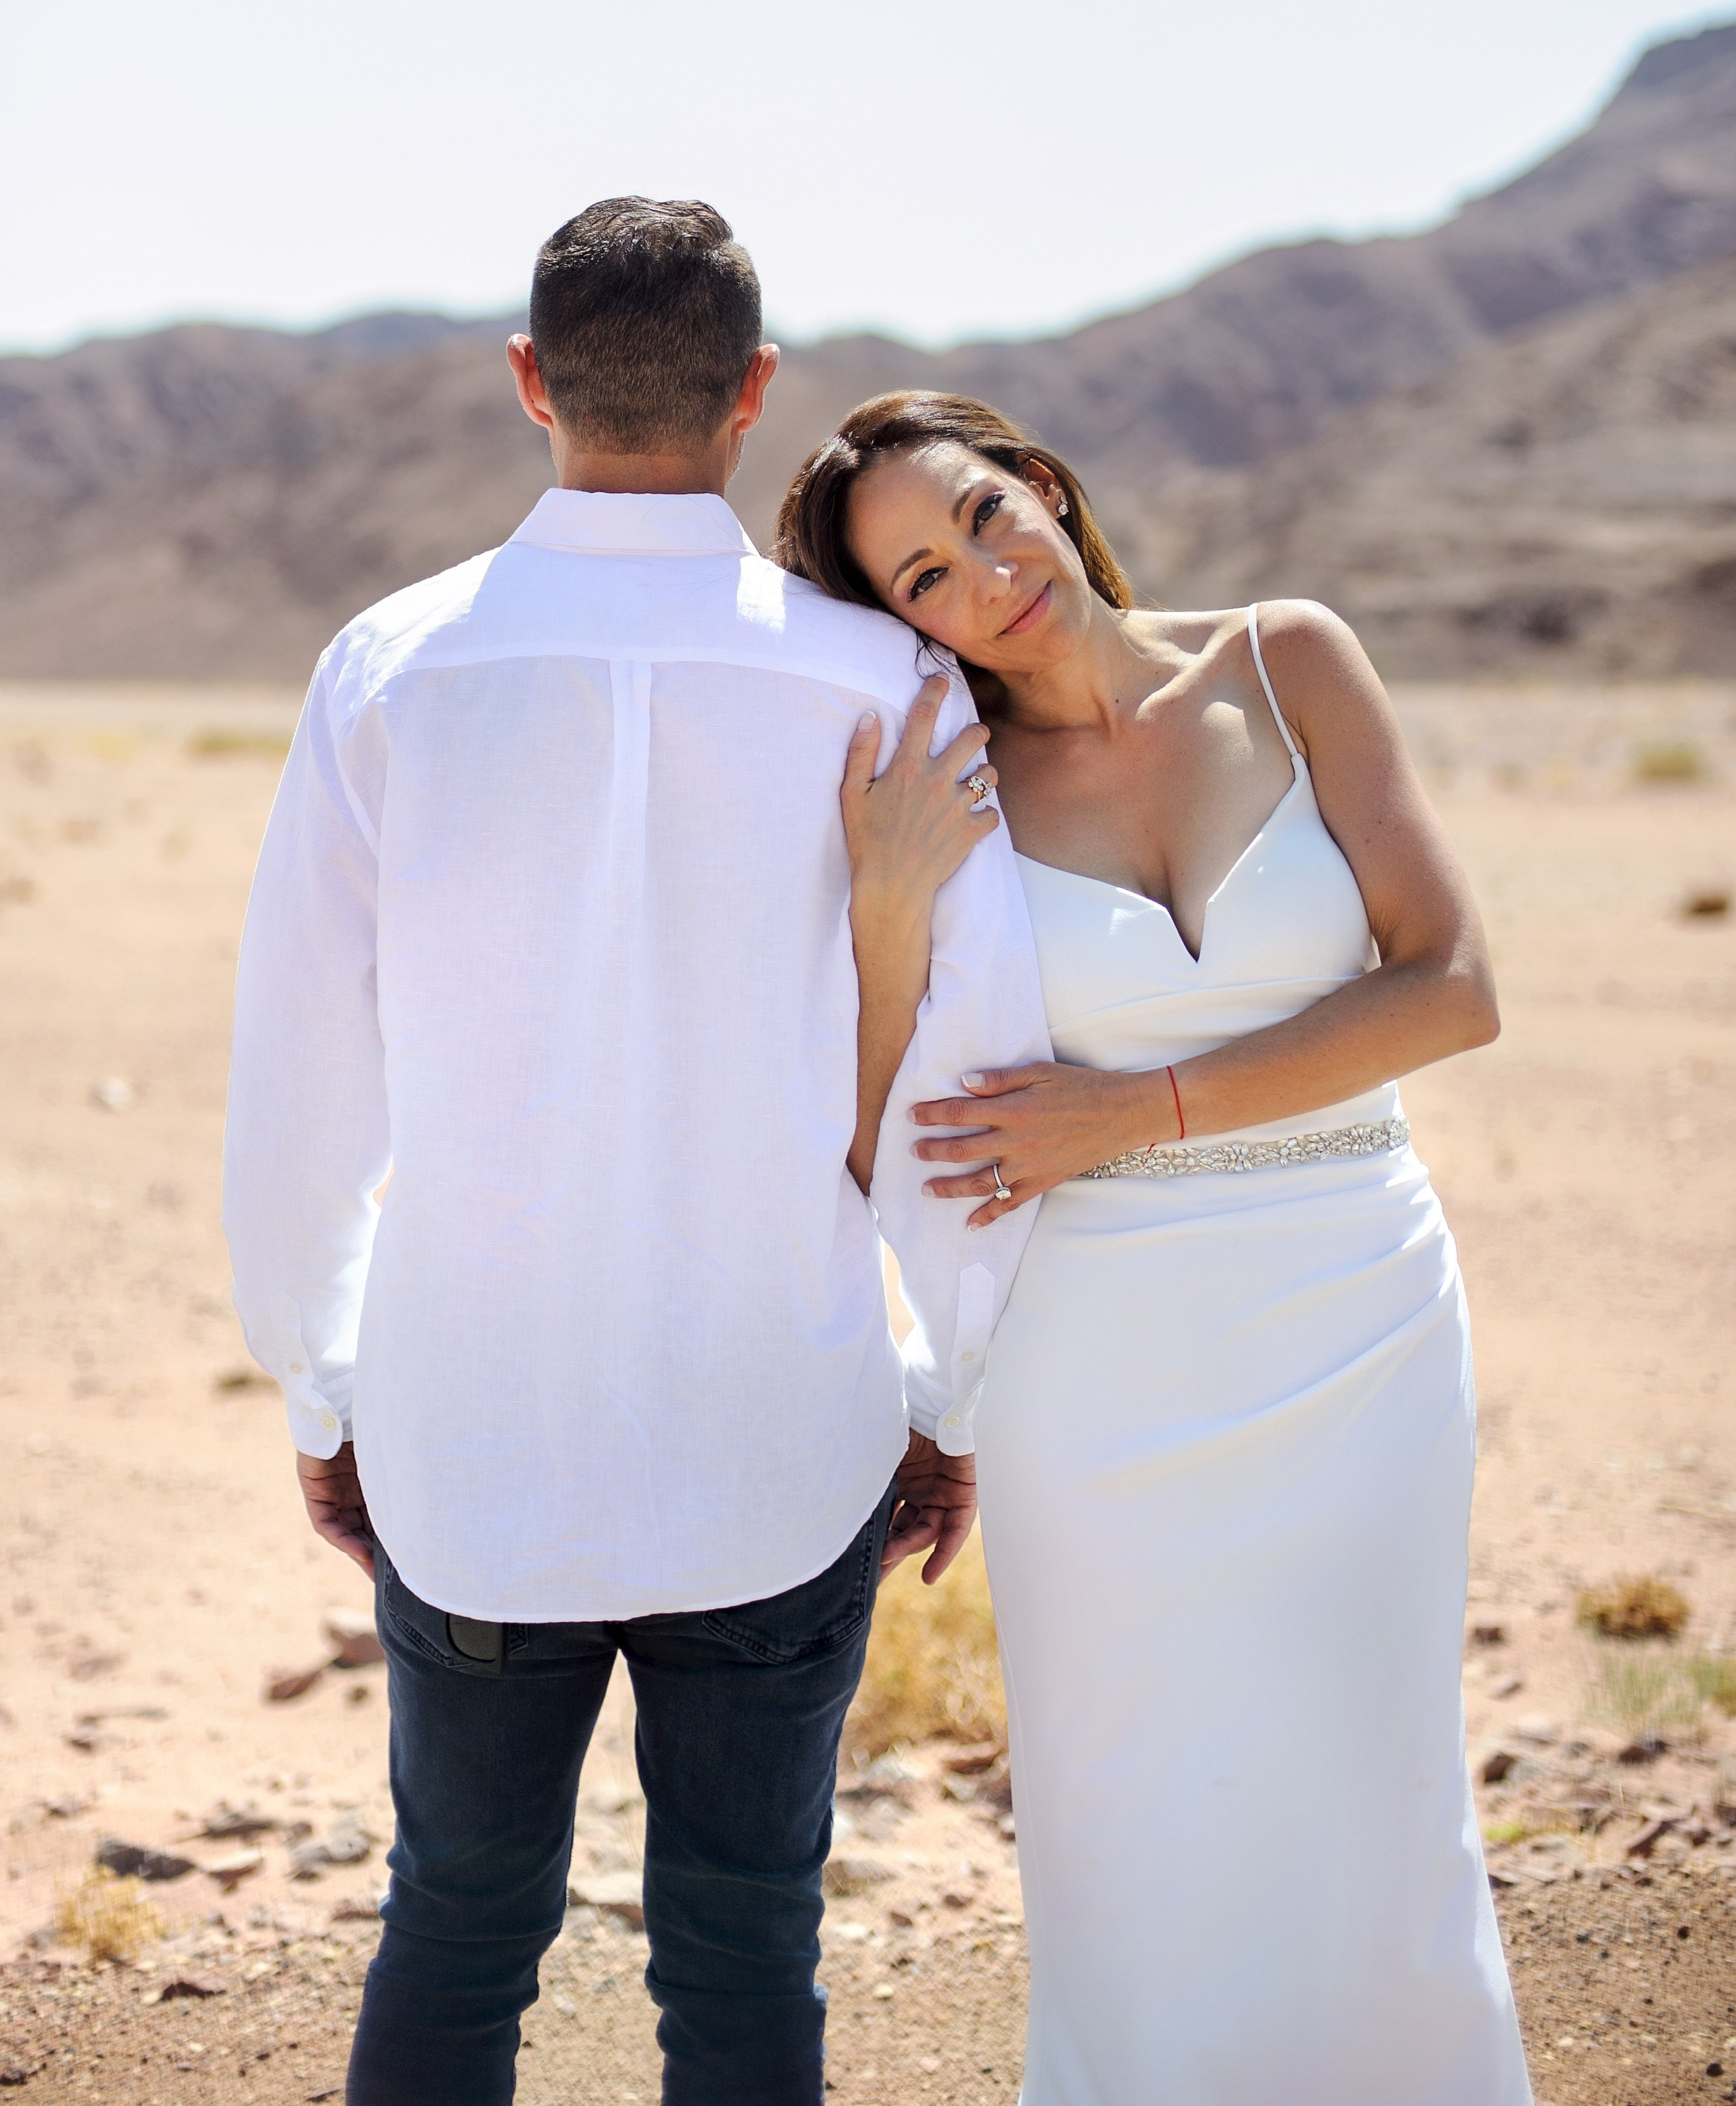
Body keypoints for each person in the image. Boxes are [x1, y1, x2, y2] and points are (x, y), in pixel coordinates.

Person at [222, 209, 1048, 2106]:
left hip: (469, 1434)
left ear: (529, 383)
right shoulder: (888, 690)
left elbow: (302, 1078)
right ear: (757, 396)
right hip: (786, 1430)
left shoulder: (387, 670)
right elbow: (972, 1077)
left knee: (451, 1928)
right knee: (752, 1945)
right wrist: (950, 1385)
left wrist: (321, 1384)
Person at [775, 391, 1534, 2106]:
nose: (979, 577)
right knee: (1134, 1806)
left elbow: (1451, 987)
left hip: (1359, 1306)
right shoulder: (943, 791)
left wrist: (1138, 1111)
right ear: (898, 627)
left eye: (979, 516)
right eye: (918, 578)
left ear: (1040, 483)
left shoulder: (1288, 663)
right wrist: (888, 910)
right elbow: (868, 1117)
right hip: (1097, 1358)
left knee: (1371, 1775)